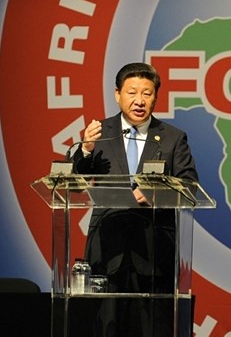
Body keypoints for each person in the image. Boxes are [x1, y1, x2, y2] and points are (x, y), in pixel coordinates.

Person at [72, 62, 199, 336]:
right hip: (107, 247)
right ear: (117, 94)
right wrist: (85, 150)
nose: (139, 100)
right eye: (132, 93)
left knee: (152, 327)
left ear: (155, 97)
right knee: (104, 326)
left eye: (147, 93)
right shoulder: (98, 133)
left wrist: (156, 192)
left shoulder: (173, 139)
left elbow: (190, 187)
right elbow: (74, 185)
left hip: (154, 250)